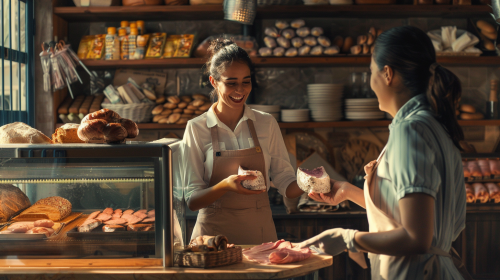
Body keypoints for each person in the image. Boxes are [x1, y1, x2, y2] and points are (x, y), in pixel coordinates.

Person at [300, 26, 468, 280]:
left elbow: (416, 238)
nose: (370, 82)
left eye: (371, 72)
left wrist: (346, 239)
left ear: (387, 74)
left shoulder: (409, 130)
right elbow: (408, 215)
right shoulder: (433, 124)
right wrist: (347, 191)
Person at [182, 38, 304, 245]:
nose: (240, 90)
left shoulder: (266, 123)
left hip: (259, 234)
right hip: (212, 239)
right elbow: (192, 200)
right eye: (231, 83)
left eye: (246, 81)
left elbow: (284, 180)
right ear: (214, 82)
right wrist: (225, 186)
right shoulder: (196, 128)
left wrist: (310, 184)